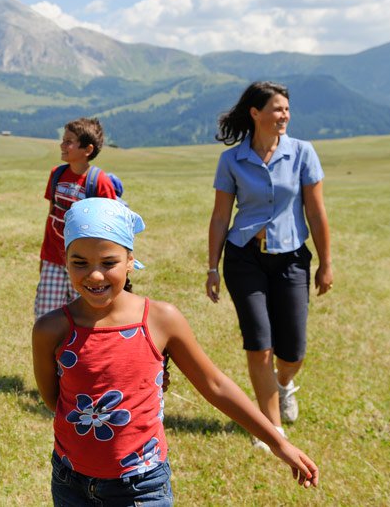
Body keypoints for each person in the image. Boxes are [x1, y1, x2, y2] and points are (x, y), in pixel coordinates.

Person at [32, 198, 319, 505]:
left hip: (141, 486)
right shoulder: (51, 329)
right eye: (80, 262)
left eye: (108, 262)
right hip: (70, 481)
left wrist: (278, 442)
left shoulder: (159, 320)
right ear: (65, 260)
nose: (95, 275)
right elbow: (56, 399)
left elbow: (215, 384)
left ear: (130, 259)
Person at [205, 81, 333, 449]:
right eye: (277, 109)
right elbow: (219, 216)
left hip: (292, 258)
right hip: (244, 257)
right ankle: (272, 428)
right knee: (258, 343)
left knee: (292, 351)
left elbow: (316, 211)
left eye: (287, 110)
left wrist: (326, 263)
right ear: (255, 113)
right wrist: (213, 267)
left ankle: (283, 383)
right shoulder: (232, 159)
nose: (285, 116)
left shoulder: (303, 153)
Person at [36, 117, 118, 318]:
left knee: (84, 315)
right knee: (47, 316)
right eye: (63, 140)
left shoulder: (99, 181)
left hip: (85, 264)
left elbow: (111, 226)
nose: (62, 145)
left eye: (69, 141)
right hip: (53, 260)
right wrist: (44, 258)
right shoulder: (57, 174)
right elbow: (51, 216)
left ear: (87, 150)